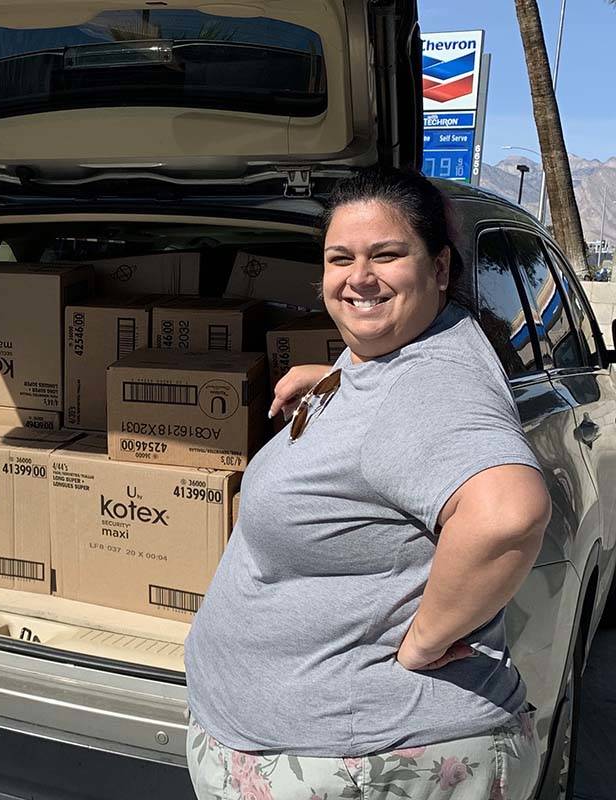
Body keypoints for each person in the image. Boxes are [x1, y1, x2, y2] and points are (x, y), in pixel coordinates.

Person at [184, 168, 550, 800]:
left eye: (386, 254)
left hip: (363, 760)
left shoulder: (425, 388)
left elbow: (506, 514)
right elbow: (389, 384)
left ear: (439, 267)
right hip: (325, 744)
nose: (358, 277)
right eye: (340, 258)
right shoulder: (415, 348)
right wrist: (337, 379)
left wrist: (423, 645)